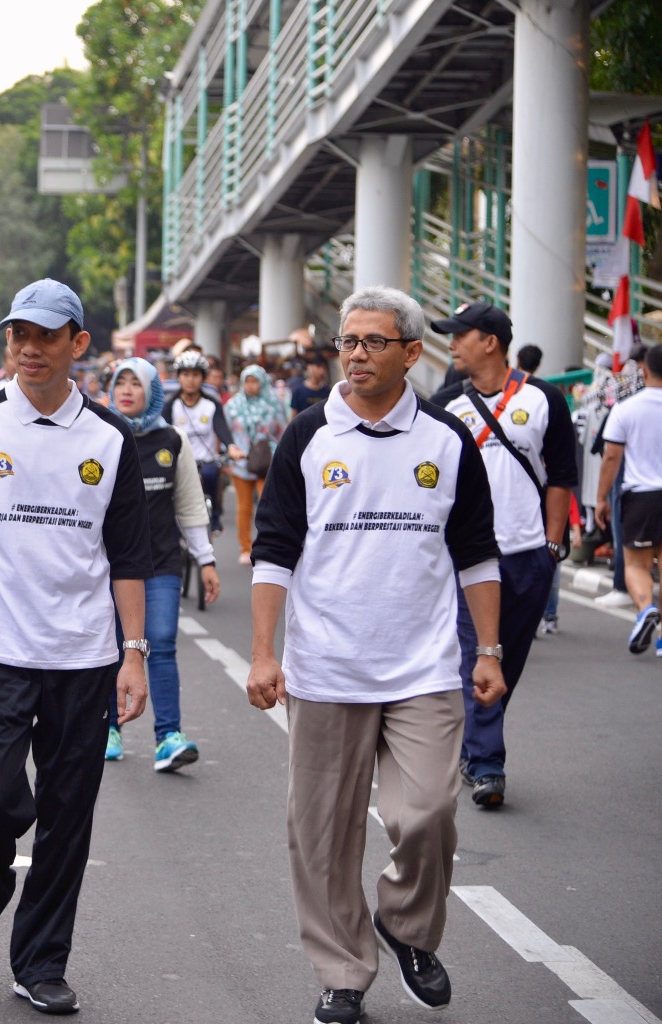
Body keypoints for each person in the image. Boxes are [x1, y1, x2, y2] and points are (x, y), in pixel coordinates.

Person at [247, 286, 506, 1024]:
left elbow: (477, 554)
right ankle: (342, 971)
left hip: (422, 666)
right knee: (322, 831)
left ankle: (405, 924)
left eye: (373, 342)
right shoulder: (308, 434)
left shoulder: (446, 440)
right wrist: (264, 653)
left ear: (412, 354)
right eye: (348, 342)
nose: (356, 354)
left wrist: (487, 650)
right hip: (327, 668)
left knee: (427, 812)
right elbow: (274, 552)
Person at [0, 278, 151, 1016]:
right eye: (17, 334)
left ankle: (40, 962)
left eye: (45, 335)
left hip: (83, 656)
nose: (28, 348)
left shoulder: (111, 440)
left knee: (67, 814)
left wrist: (134, 651)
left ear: (77, 344)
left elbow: (125, 557)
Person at [433, 301, 577, 809]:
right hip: (472, 558)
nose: (451, 343)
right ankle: (489, 763)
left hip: (529, 555)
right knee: (480, 653)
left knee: (506, 660)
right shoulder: (445, 405)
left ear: (489, 341)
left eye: (459, 335)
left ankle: (475, 747)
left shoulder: (544, 400)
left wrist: (552, 544)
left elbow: (561, 474)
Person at [104, 357, 218, 769]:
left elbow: (189, 505)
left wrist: (205, 560)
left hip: (163, 562)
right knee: (113, 649)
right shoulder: (102, 435)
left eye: (138, 384)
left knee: (163, 643)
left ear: (153, 391)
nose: (128, 390)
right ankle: (110, 728)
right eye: (122, 383)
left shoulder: (173, 440)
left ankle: (168, 736)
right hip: (112, 569)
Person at [595, 343, 662, 656]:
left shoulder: (626, 408)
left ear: (644, 370)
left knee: (637, 565)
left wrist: (601, 499)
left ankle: (646, 608)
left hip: (641, 496)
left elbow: (611, 458)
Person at [165, 349, 239, 535]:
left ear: (203, 377)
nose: (191, 379)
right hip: (179, 461)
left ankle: (214, 517)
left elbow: (221, 427)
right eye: (186, 374)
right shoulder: (170, 405)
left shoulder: (211, 405)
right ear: (179, 377)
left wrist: (231, 446)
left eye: (196, 375)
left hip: (205, 459)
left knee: (212, 474)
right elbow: (162, 432)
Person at [224, 364, 289, 565]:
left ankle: (266, 546)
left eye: (255, 381)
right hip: (241, 462)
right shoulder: (233, 405)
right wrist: (228, 454)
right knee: (244, 507)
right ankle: (245, 547)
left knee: (267, 505)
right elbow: (225, 433)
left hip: (266, 461)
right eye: (247, 381)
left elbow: (282, 432)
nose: (251, 386)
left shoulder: (274, 403)